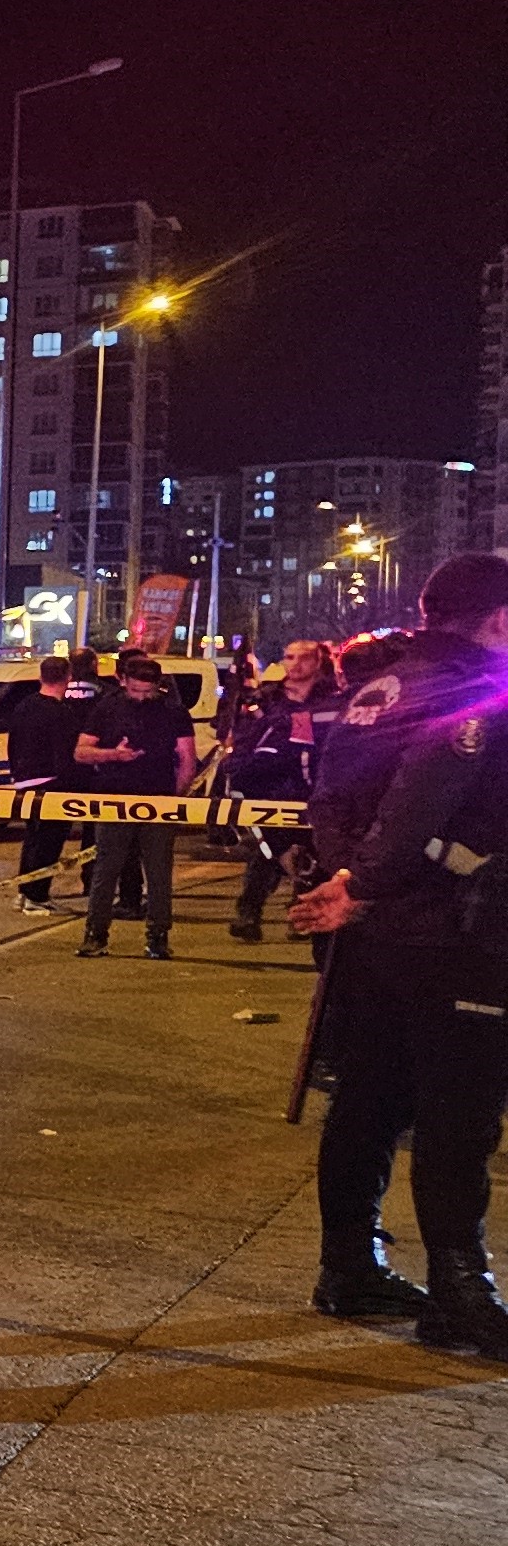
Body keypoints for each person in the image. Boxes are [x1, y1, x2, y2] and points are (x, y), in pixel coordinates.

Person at [289, 551, 508, 1354]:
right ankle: (460, 1292)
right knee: (460, 1112)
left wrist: (351, 882)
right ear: (499, 620)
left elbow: (327, 800)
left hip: (374, 937)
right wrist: (367, 881)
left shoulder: (375, 690)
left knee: (369, 1099)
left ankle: (349, 1267)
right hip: (455, 930)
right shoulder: (479, 692)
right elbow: (424, 796)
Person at [72, 653, 196, 958]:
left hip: (158, 801)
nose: (141, 697)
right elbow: (81, 752)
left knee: (159, 872)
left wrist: (175, 798)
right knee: (106, 870)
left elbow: (187, 758)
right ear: (123, 680)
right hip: (115, 799)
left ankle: (158, 937)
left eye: (148, 692)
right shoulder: (107, 708)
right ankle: (96, 934)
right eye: (136, 690)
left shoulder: (173, 711)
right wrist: (113, 755)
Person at [223, 638, 340, 940]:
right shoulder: (265, 699)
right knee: (266, 850)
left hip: (317, 791)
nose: (296, 664)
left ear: (318, 662)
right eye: (290, 657)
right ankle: (248, 914)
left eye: (304, 658)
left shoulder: (336, 699)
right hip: (271, 789)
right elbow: (241, 740)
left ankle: (302, 917)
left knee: (314, 857)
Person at [2, 654, 85, 914]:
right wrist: (71, 783)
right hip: (52, 783)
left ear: (41, 676)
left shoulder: (24, 706)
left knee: (32, 839)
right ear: (68, 678)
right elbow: (65, 754)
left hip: (25, 781)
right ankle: (36, 896)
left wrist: (17, 774)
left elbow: (12, 743)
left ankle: (24, 892)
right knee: (49, 842)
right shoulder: (62, 713)